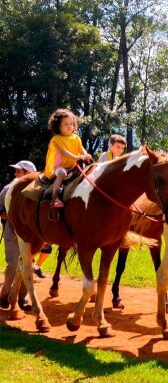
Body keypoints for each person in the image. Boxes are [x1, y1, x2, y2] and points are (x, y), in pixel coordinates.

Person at [0, 160, 38, 310]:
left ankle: (23, 298)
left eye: (19, 171)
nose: (15, 174)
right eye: (16, 171)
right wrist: (17, 217)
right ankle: (4, 295)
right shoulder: (8, 189)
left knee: (28, 266)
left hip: (30, 234)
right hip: (11, 231)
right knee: (14, 265)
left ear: (29, 174)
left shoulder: (37, 190)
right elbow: (0, 211)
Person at [44, 109, 92, 208]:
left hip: (73, 166)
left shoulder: (76, 138)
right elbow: (64, 152)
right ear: (58, 126)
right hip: (60, 167)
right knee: (62, 174)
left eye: (72, 124)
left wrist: (86, 155)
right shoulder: (56, 139)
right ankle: (55, 198)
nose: (70, 126)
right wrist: (77, 157)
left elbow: (81, 149)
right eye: (66, 124)